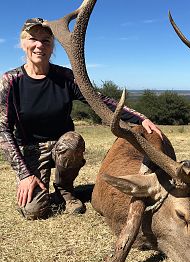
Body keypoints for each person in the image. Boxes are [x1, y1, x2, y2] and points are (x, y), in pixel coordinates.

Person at [0, 18, 162, 220]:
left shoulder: (65, 76)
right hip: (30, 148)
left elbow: (98, 100)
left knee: (72, 142)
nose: (39, 45)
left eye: (46, 41)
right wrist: (24, 175)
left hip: (63, 146)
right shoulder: (10, 81)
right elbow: (3, 130)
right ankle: (41, 191)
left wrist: (139, 118)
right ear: (23, 43)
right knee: (34, 212)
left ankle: (64, 190)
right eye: (34, 39)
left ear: (52, 48)